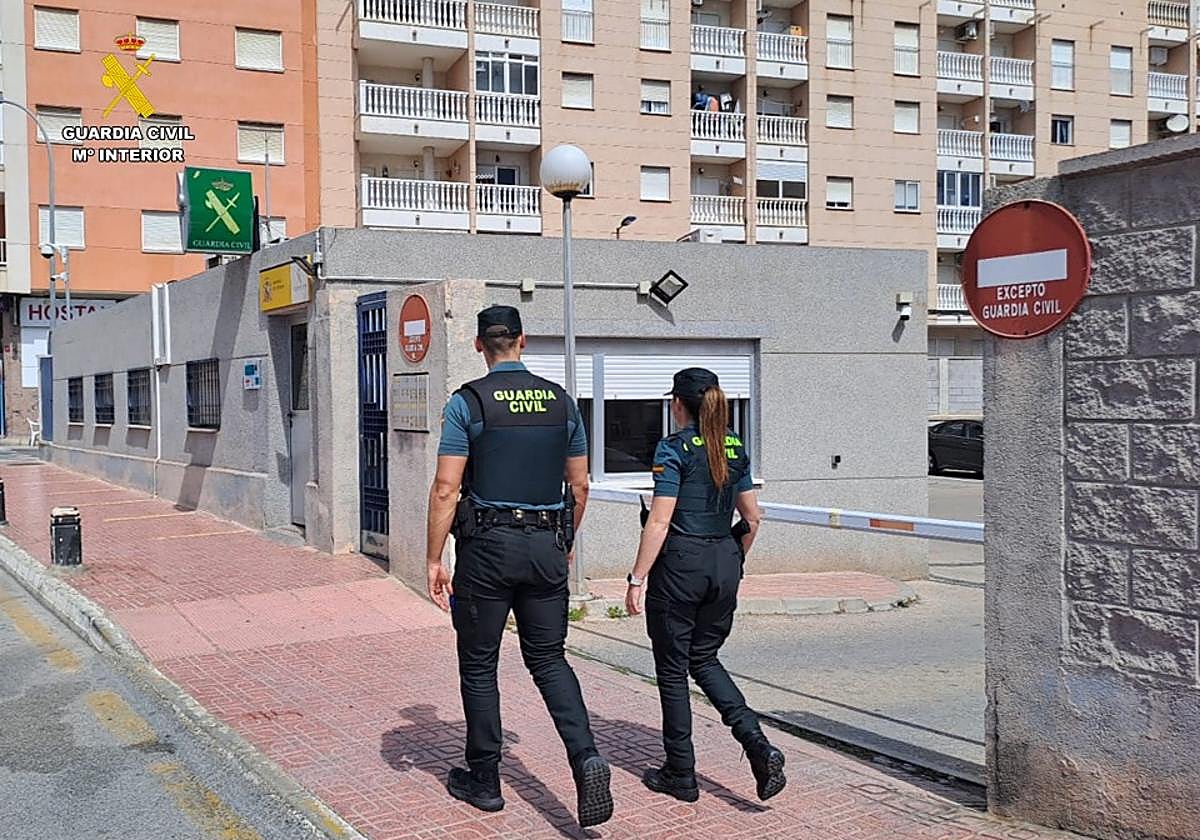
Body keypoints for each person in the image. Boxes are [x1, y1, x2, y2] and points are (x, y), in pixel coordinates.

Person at [425, 305, 613, 829]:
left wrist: (434, 558)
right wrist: (566, 540)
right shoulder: (562, 403)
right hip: (546, 545)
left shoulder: (467, 402)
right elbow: (579, 486)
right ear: (523, 342)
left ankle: (484, 780)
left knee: (481, 663)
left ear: (480, 345)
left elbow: (446, 488)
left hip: (487, 548)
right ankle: (586, 758)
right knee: (549, 660)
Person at [624, 367, 786, 803]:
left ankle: (681, 773)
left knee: (673, 673)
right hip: (724, 563)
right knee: (706, 659)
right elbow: (752, 518)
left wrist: (636, 578)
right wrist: (733, 559)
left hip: (681, 565)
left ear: (678, 404)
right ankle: (757, 744)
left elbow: (659, 520)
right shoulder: (734, 445)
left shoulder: (674, 448)